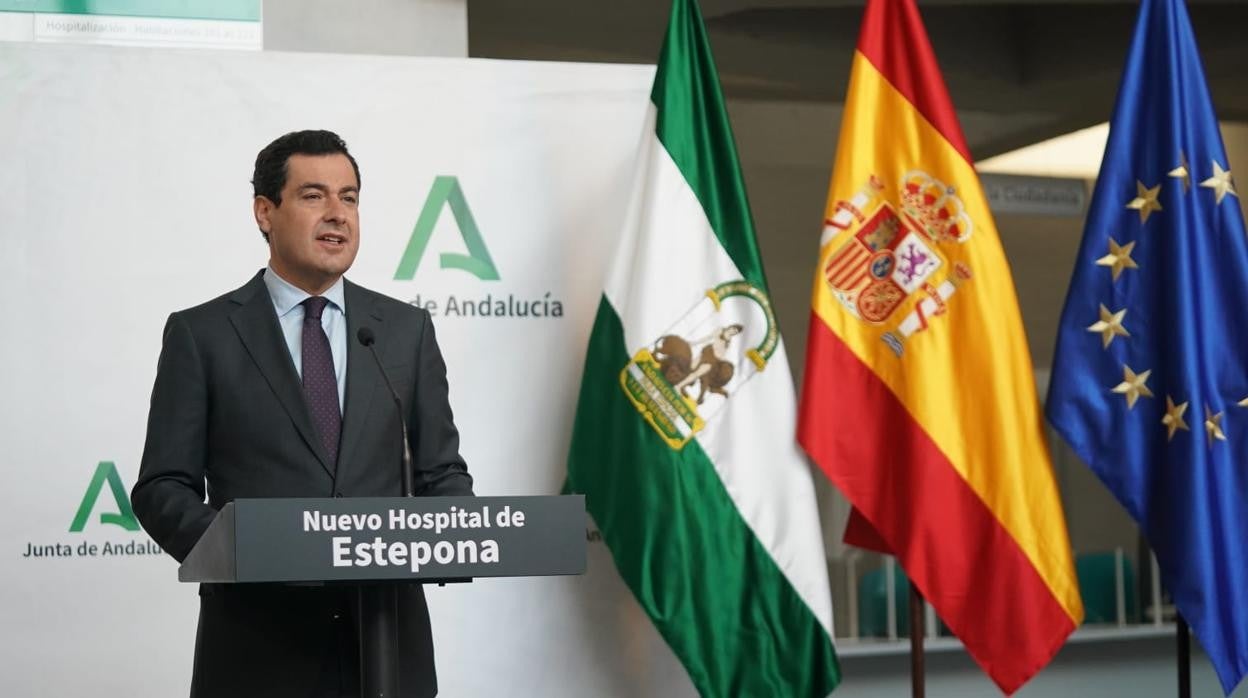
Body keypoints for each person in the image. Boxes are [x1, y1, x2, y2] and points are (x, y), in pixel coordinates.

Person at [131, 129, 474, 698]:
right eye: (314, 196)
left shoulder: (404, 332)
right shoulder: (203, 334)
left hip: (388, 646)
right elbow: (163, 487)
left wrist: (453, 530)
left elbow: (442, 472)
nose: (337, 214)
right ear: (266, 212)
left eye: (350, 197)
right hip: (258, 649)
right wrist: (241, 548)